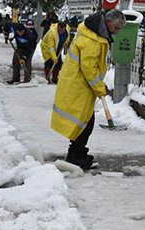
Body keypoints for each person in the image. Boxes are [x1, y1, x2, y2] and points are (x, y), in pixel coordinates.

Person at [50, 9, 126, 170]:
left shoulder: (93, 33)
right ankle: (77, 156)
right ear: (108, 22)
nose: (117, 32)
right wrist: (99, 88)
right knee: (84, 123)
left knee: (84, 122)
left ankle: (76, 153)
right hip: (79, 85)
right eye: (117, 28)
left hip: (79, 83)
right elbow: (89, 67)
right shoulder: (92, 39)